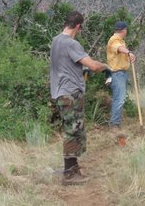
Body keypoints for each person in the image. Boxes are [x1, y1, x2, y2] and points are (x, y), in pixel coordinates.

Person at [50, 11, 110, 186]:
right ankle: (69, 174)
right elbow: (92, 65)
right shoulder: (71, 43)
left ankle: (73, 168)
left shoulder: (56, 41)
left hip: (60, 92)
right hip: (71, 93)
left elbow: (64, 64)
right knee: (73, 131)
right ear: (78, 26)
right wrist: (106, 66)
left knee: (72, 129)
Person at [107, 21, 136, 130]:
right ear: (123, 30)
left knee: (120, 98)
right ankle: (114, 124)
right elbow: (118, 48)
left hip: (121, 73)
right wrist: (129, 52)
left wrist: (128, 57)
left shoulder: (120, 41)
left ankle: (116, 123)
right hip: (116, 73)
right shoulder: (114, 40)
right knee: (119, 99)